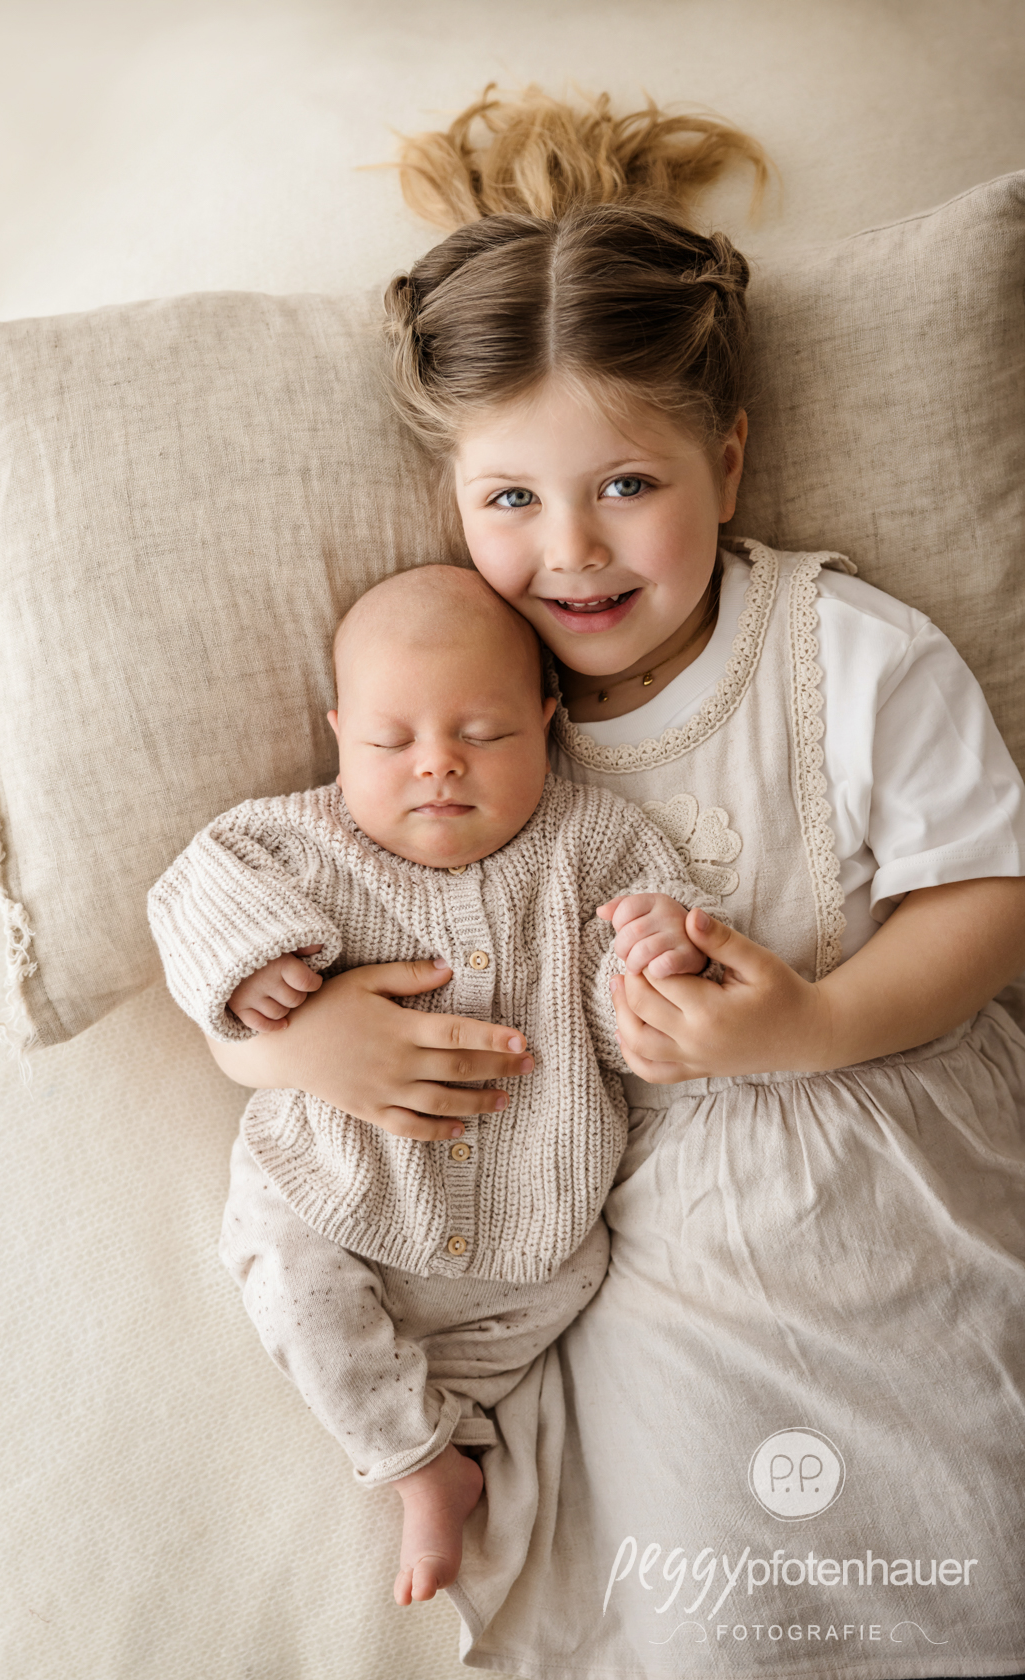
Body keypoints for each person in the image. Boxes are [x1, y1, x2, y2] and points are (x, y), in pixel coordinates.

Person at [205, 89, 1025, 1675]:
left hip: (892, 1169)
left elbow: (990, 895)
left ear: (726, 457)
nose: (570, 551)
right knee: (720, 1607)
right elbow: (283, 926)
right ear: (453, 501)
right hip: (650, 1246)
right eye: (510, 500)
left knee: (970, 1543)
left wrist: (809, 1025)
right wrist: (286, 1044)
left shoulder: (840, 653)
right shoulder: (473, 734)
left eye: (626, 488)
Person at [148, 564, 722, 1607]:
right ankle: (420, 1466)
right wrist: (255, 963)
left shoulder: (594, 843)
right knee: (285, 1274)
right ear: (337, 733)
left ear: (548, 721)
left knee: (572, 1279)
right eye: (390, 741)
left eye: (486, 735)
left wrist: (655, 954)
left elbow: (628, 999)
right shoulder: (292, 840)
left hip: (535, 1221)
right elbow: (191, 888)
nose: (437, 768)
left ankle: (459, 1419)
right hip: (334, 1194)